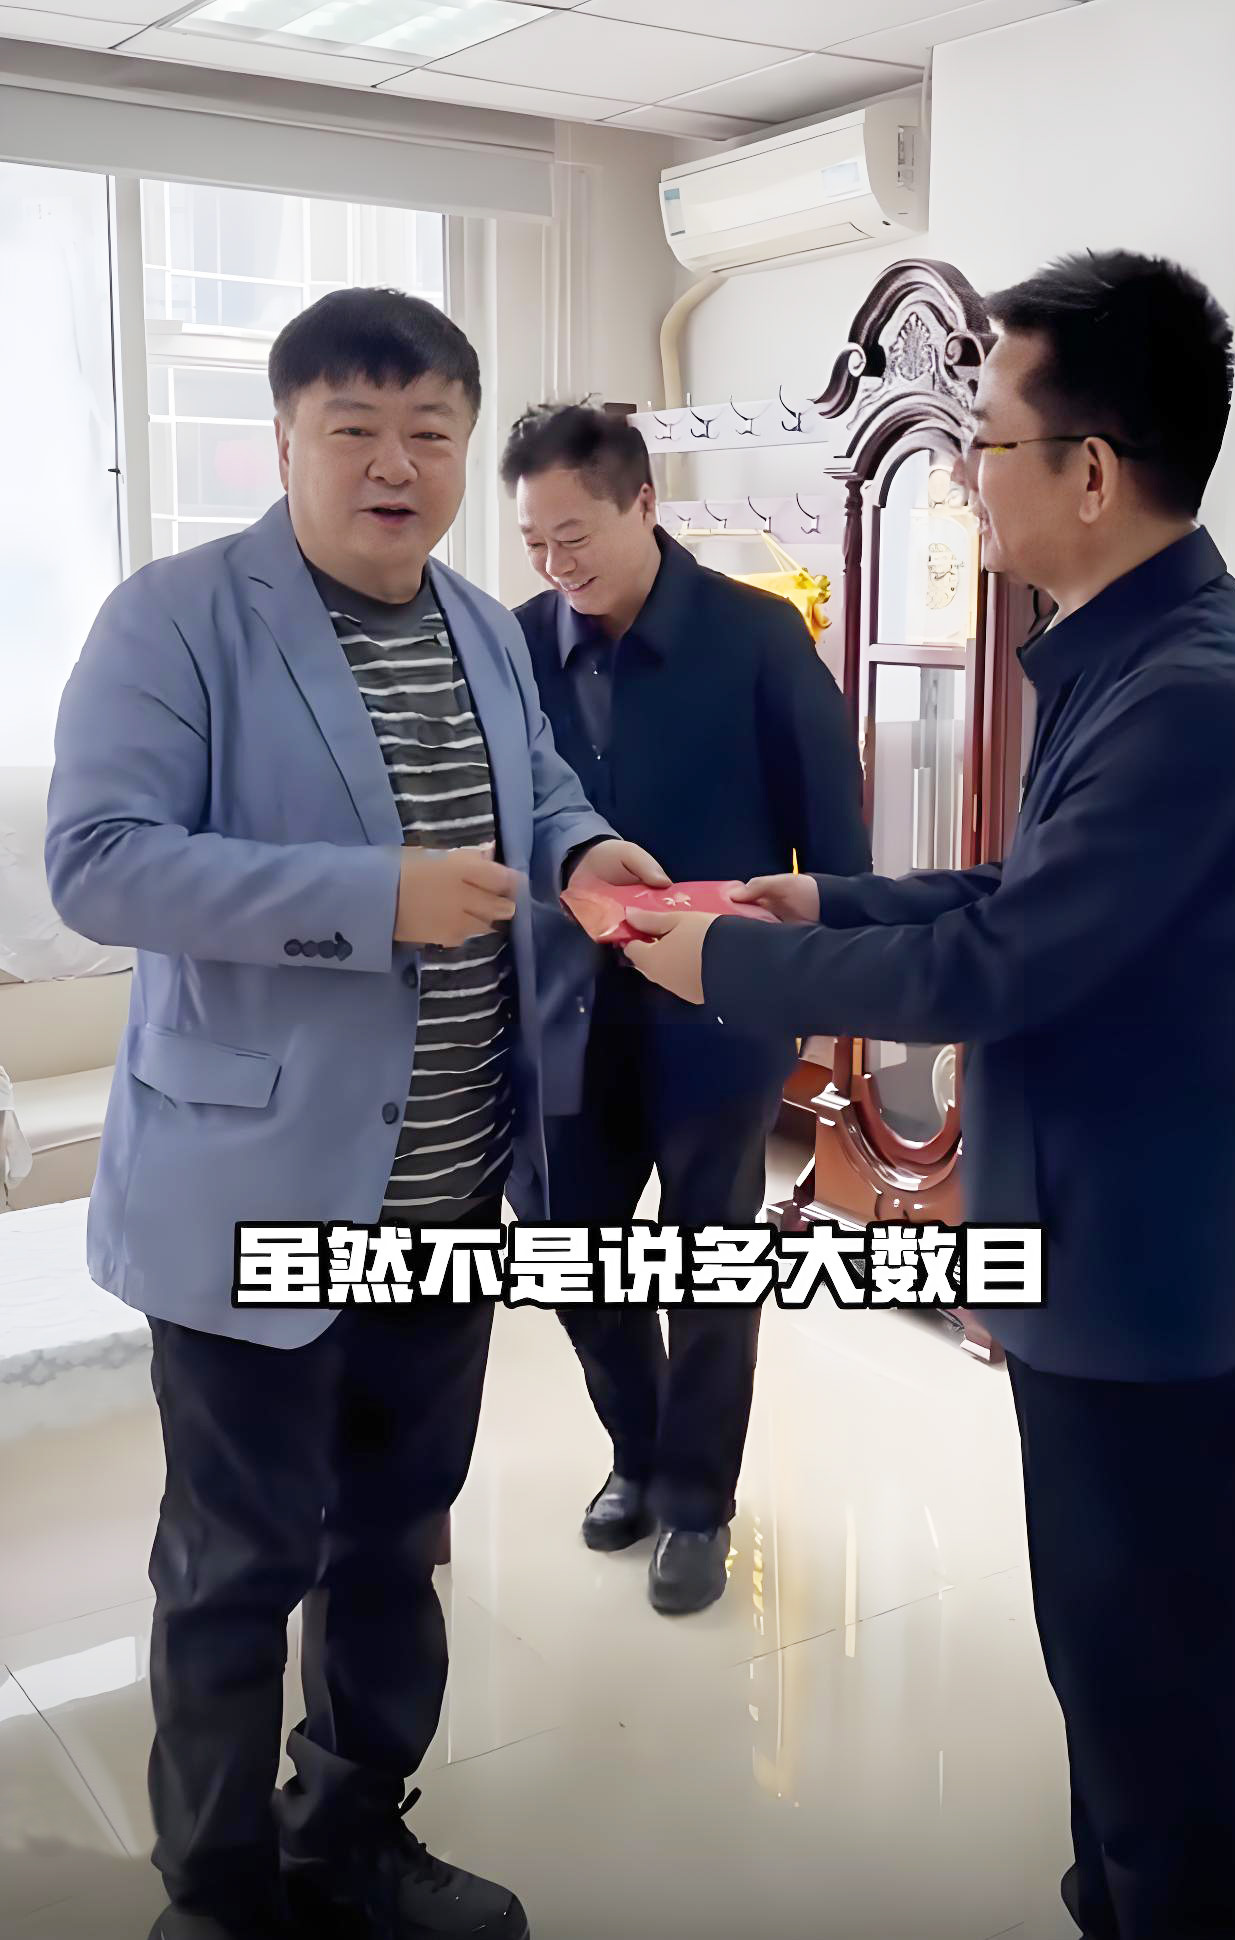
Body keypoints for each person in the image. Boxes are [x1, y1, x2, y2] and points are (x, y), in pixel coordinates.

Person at [623, 249, 1235, 1936]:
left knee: (1160, 1699)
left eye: (985, 439)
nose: (970, 471)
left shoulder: (1193, 694)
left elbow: (999, 967)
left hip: (1139, 1284)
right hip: (1089, 1255)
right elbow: (1018, 893)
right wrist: (821, 902)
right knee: (1114, 1672)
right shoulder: (1123, 653)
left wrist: (724, 967)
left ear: (1089, 471)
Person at [44, 289, 666, 1940]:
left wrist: (584, 850)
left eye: (430, 433)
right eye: (357, 431)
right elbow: (97, 865)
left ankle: (352, 1831)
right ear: (284, 441)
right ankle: (219, 1892)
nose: (397, 466)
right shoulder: (175, 619)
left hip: (448, 1190)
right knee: (237, 1561)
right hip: (255, 1191)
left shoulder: (480, 621)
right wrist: (369, 897)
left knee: (395, 1539)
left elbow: (534, 789)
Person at [500, 404, 870, 1615]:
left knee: (710, 1261)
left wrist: (818, 989)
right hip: (561, 1009)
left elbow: (835, 834)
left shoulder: (758, 635)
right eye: (534, 542)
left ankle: (698, 1501)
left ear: (643, 504)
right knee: (569, 1251)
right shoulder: (513, 648)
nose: (556, 564)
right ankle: (640, 1450)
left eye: (574, 535)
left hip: (719, 1010)